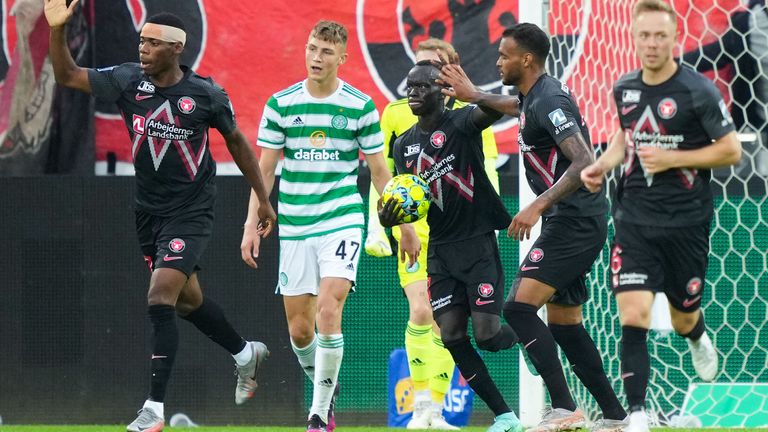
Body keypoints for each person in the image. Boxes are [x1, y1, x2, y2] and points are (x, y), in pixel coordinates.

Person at [44, 1, 278, 432]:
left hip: (191, 212)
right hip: (148, 214)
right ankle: (246, 353)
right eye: (141, 41)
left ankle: (153, 409)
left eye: (153, 43)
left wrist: (262, 199)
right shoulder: (128, 80)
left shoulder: (206, 95)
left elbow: (240, 146)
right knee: (189, 301)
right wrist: (57, 30)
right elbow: (66, 75)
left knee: (160, 296)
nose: (143, 48)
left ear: (176, 50)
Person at [438, 23, 628, 432]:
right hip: (573, 217)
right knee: (565, 325)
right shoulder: (532, 98)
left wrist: (536, 206)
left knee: (518, 308)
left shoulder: (551, 98)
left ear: (526, 59)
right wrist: (475, 96)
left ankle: (563, 408)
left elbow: (583, 160)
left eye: (504, 55)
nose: (498, 61)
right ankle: (615, 417)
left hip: (574, 219)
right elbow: (517, 109)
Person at [239, 20, 419, 432]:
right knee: (300, 330)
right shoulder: (281, 103)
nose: (316, 58)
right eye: (311, 49)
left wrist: (404, 225)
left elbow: (379, 171)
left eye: (325, 52)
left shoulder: (359, 105)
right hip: (296, 224)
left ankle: (318, 415)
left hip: (341, 219)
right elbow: (264, 170)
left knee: (328, 310)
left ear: (342, 58)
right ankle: (326, 387)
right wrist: (251, 224)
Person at [580, 1, 742, 431]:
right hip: (633, 219)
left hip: (686, 223)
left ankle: (696, 336)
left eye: (660, 36)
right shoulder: (624, 88)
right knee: (632, 314)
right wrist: (602, 164)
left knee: (683, 312)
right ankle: (636, 414)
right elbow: (623, 137)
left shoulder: (698, 91)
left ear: (674, 39)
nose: (652, 44)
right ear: (633, 38)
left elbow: (731, 150)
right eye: (644, 36)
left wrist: (672, 158)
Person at [379, 59, 522, 432]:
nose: (413, 93)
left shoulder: (462, 122)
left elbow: (512, 107)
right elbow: (407, 199)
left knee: (489, 336)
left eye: (422, 86)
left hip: (477, 245)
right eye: (409, 86)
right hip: (440, 252)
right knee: (453, 336)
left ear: (443, 92)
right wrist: (390, 218)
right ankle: (505, 417)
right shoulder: (404, 146)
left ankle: (528, 335)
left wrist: (473, 94)